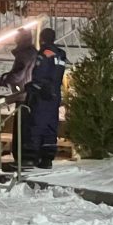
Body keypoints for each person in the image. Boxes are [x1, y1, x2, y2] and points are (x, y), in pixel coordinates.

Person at [26, 27, 68, 169]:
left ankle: (32, 157)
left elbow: (40, 73)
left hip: (42, 95)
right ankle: (48, 158)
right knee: (51, 126)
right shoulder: (61, 54)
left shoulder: (45, 53)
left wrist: (33, 87)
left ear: (41, 38)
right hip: (55, 94)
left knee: (37, 125)